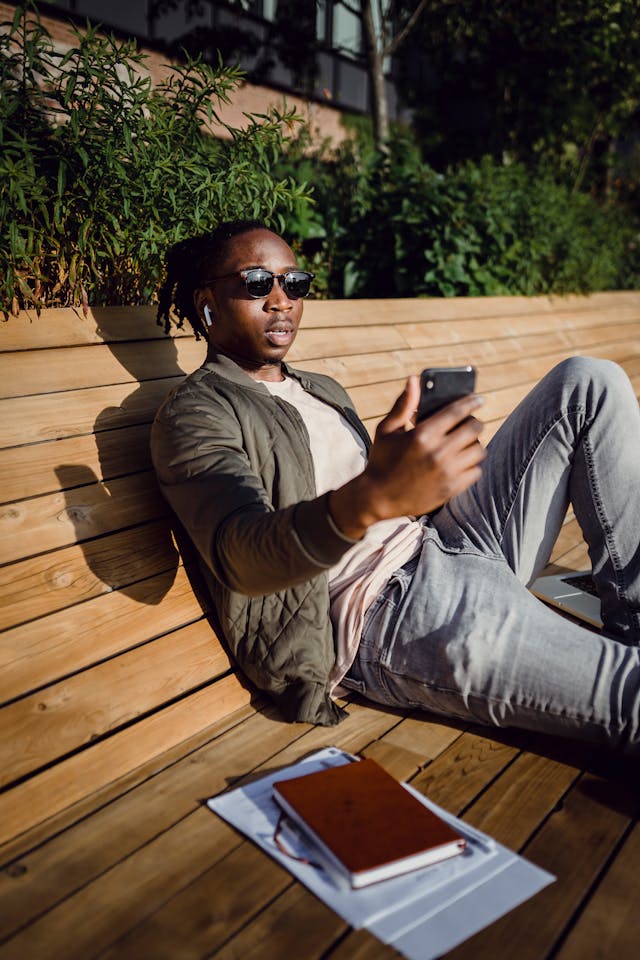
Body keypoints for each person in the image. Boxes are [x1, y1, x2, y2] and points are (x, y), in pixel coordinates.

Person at [151, 218, 640, 754]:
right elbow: (240, 552)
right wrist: (379, 492)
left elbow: (378, 500)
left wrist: (413, 469)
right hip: (388, 608)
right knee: (627, 692)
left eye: (294, 283)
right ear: (207, 302)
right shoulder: (196, 414)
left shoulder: (320, 389)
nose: (280, 300)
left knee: (589, 381)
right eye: (255, 283)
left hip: (445, 540)